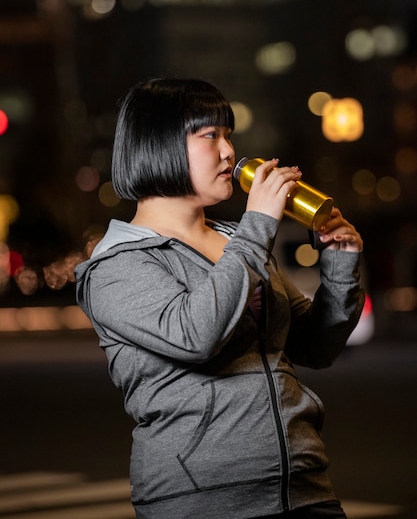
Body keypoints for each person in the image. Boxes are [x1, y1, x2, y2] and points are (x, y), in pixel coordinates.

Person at [75, 77, 365, 519]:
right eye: (210, 135)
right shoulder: (116, 267)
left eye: (228, 135)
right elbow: (195, 334)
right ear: (159, 145)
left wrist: (340, 263)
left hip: (305, 489)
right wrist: (256, 228)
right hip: (202, 500)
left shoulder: (236, 242)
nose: (229, 151)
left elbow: (315, 345)